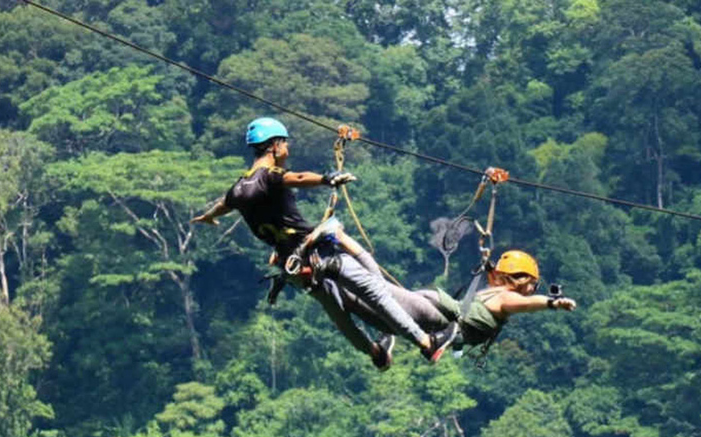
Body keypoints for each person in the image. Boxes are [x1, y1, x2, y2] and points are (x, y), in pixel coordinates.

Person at [191, 117, 449, 370]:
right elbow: (299, 178)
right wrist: (327, 178)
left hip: (297, 270)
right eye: (285, 144)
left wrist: (208, 217)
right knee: (375, 292)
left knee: (341, 318)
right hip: (320, 255)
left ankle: (376, 354)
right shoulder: (269, 176)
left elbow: (223, 205)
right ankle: (426, 342)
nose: (288, 150)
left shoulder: (238, 188)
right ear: (274, 146)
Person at [341, 250, 577, 359]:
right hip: (434, 313)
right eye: (533, 285)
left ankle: (337, 261)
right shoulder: (507, 297)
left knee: (368, 295)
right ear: (522, 280)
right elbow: (529, 304)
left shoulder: (492, 292)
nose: (533, 290)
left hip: (434, 309)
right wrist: (553, 303)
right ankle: (337, 259)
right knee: (371, 288)